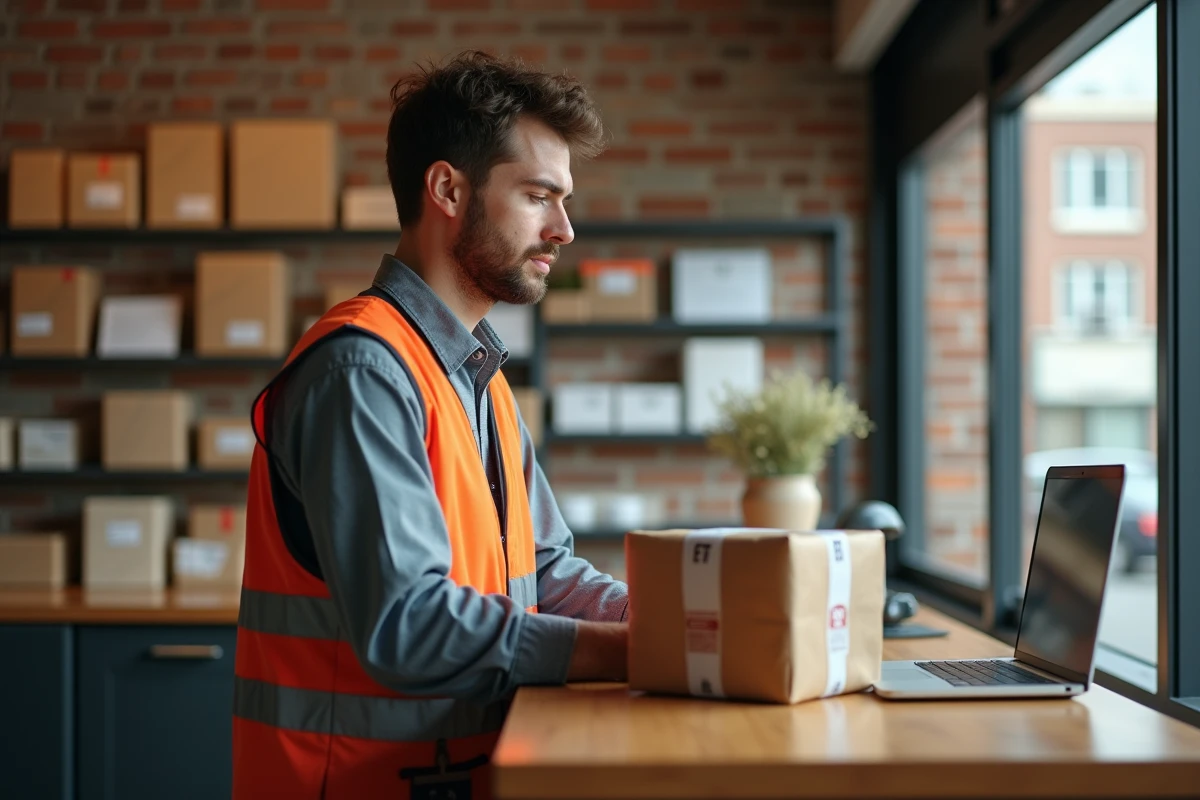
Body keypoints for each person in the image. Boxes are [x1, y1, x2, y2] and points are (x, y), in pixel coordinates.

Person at [231, 51, 629, 799]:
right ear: (448, 188)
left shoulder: (479, 378)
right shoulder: (362, 371)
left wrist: (681, 624)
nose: (565, 229)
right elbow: (407, 623)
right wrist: (623, 652)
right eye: (540, 195)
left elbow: (542, 572)